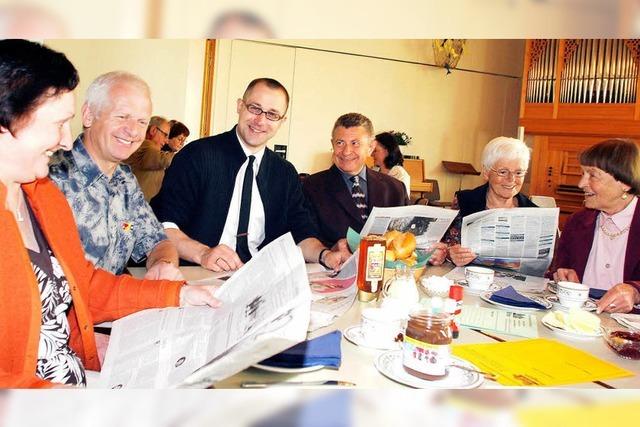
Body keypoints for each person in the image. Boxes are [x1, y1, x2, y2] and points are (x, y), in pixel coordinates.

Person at [0, 39, 219, 388]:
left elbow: (83, 286)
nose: (62, 140)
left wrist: (177, 294)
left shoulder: (41, 196)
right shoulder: (53, 181)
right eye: (57, 124)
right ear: (6, 120)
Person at [151, 78, 349, 272]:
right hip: (199, 273)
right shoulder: (197, 156)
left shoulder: (285, 173)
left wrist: (325, 255)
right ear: (240, 106)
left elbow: (301, 232)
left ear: (282, 121)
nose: (260, 120)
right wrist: (203, 253)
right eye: (254, 108)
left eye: (272, 114)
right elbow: (164, 224)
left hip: (261, 278)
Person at [49, 72, 182, 280]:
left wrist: (163, 265)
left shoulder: (125, 179)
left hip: (118, 306)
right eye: (122, 116)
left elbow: (158, 242)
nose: (132, 131)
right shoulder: (51, 178)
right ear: (88, 115)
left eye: (141, 122)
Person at [302, 113, 447, 265]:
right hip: (334, 274)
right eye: (340, 143)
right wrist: (330, 251)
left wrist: (427, 251)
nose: (346, 151)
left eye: (355, 143)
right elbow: (302, 238)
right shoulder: (311, 187)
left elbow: (405, 238)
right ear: (332, 144)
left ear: (371, 147)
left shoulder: (395, 188)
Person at [549, 139, 640, 314]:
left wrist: (635, 291)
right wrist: (560, 274)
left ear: (625, 183)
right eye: (582, 174)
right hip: (577, 320)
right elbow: (558, 270)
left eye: (592, 175)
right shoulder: (576, 222)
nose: (581, 184)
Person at [443, 136, 537, 266]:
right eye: (503, 172)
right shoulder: (465, 201)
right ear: (486, 173)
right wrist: (450, 254)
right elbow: (446, 246)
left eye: (519, 172)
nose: (511, 179)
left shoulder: (534, 212)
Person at [125, 115, 177, 201]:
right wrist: (189, 155)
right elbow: (164, 159)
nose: (166, 141)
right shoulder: (146, 145)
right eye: (165, 135)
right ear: (153, 130)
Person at [372, 131, 411, 197]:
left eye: (375, 150)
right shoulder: (375, 170)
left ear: (387, 151)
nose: (372, 154)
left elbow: (400, 201)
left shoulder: (399, 173)